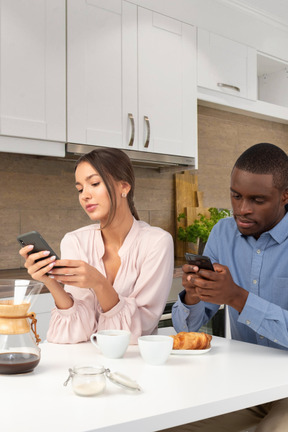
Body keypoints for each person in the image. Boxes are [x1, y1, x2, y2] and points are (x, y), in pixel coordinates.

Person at [170, 143, 288, 431]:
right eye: (236, 196)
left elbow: (238, 300)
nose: (242, 209)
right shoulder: (223, 232)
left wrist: (238, 298)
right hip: (246, 383)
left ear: (285, 196)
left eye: (257, 200)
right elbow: (189, 329)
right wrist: (194, 297)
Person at [19, 148, 174, 344]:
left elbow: (140, 329)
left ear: (124, 187)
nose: (85, 195)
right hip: (85, 365)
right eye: (80, 189)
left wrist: (99, 283)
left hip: (137, 363)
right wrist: (50, 281)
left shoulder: (156, 243)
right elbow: (78, 331)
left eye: (94, 183)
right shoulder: (75, 241)